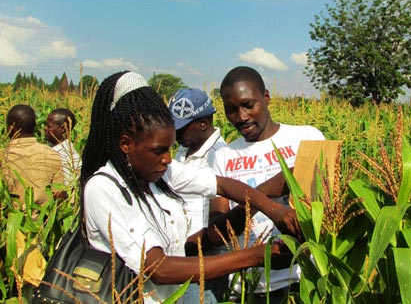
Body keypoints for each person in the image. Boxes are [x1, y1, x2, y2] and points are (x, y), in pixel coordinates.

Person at [80, 71, 299, 304]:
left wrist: (276, 211)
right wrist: (257, 256)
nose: (167, 158)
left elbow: (222, 184)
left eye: (169, 148)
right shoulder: (104, 188)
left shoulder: (160, 170)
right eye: (158, 150)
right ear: (126, 144)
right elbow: (159, 269)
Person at [211, 66, 325, 303]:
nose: (241, 117)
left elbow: (329, 209)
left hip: (306, 281)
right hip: (251, 288)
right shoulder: (222, 156)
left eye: (248, 105)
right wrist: (265, 192)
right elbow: (217, 232)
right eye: (231, 110)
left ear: (266, 98)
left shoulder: (308, 138)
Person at [168, 88, 228, 302]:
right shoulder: (183, 151)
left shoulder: (220, 155)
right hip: (178, 260)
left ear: (203, 124)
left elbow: (220, 219)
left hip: (203, 263)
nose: (175, 136)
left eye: (181, 130)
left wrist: (191, 246)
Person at [1, 104, 65, 208]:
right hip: (43, 222)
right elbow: (59, 195)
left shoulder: (3, 156)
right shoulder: (52, 155)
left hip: (9, 222)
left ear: (10, 128)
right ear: (35, 126)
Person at [44, 108, 82, 185]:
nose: (45, 128)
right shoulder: (49, 146)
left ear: (62, 128)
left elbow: (64, 189)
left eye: (49, 126)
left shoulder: (67, 157)